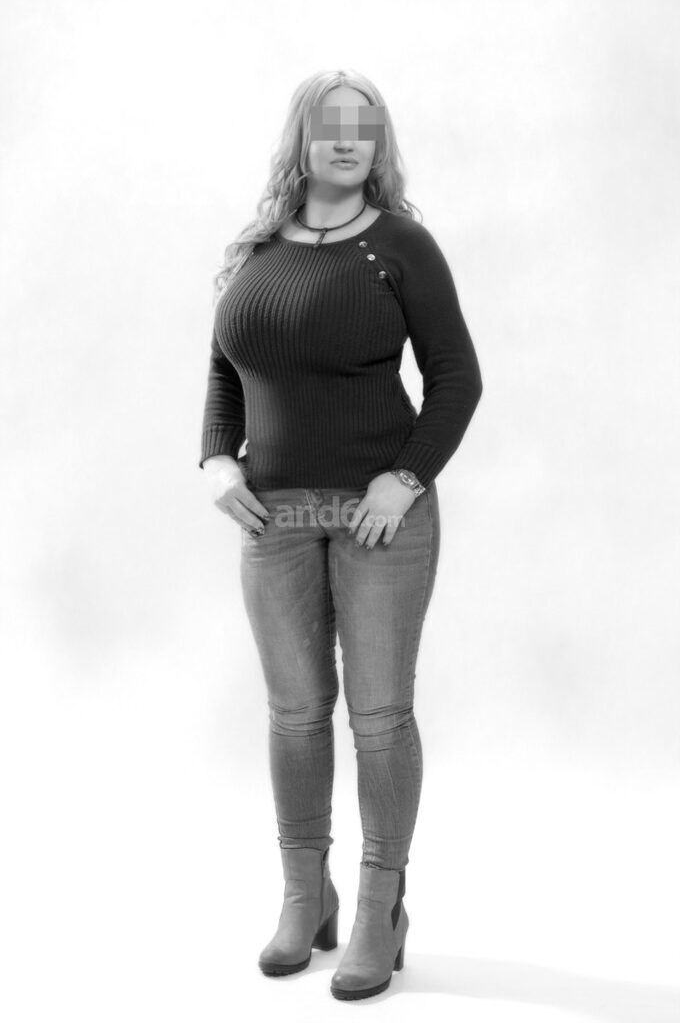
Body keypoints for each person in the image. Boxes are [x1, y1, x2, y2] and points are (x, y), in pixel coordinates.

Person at [199, 69, 483, 1001]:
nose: (349, 140)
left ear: (379, 141)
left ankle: (377, 907)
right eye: (331, 125)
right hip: (273, 518)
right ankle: (303, 896)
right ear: (303, 138)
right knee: (293, 714)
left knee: (378, 717)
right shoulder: (257, 249)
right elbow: (226, 373)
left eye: (365, 126)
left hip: (378, 518)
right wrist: (218, 460)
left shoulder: (400, 246)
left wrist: (406, 479)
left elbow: (456, 378)